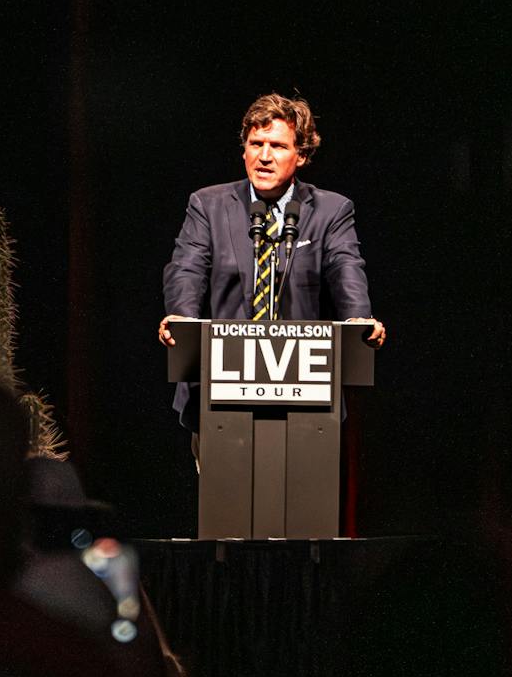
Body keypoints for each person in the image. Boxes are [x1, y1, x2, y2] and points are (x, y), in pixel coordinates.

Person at [158, 93, 386, 430]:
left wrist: (357, 319)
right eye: (256, 144)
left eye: (277, 146)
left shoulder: (330, 210)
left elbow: (345, 267)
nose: (264, 157)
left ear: (301, 155)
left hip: (305, 395)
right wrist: (182, 317)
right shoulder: (208, 205)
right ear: (244, 149)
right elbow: (187, 268)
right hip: (219, 393)